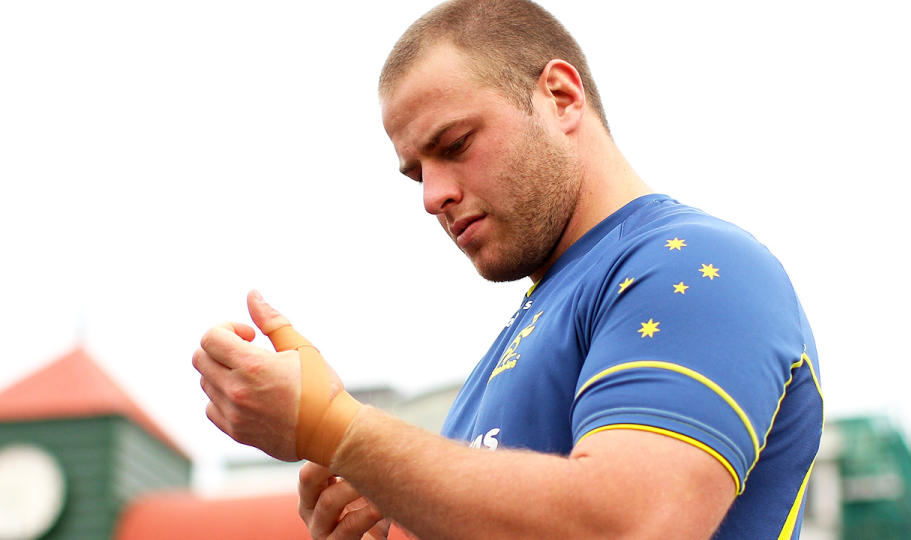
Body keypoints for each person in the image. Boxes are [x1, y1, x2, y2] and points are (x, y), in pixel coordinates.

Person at [192, 0, 823, 538]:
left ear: (560, 96)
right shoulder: (519, 339)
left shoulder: (698, 263)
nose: (431, 195)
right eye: (416, 171)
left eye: (455, 145)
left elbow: (632, 522)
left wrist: (336, 428)